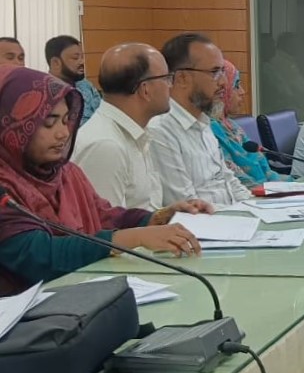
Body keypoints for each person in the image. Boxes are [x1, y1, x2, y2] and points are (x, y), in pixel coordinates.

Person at [0, 66, 210, 295]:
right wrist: (131, 238)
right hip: (22, 310)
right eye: (49, 123)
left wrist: (160, 217)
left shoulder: (66, 173)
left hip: (78, 298)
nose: (63, 133)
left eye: (66, 121)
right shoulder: (5, 186)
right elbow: (37, 255)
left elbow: (105, 216)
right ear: (10, 124)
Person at [149, 33, 253, 206]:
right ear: (182, 78)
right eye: (214, 72)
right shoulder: (160, 131)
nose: (224, 82)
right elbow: (188, 206)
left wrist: (257, 209)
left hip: (232, 217)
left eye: (222, 71)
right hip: (208, 221)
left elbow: (230, 182)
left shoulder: (204, 122)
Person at [71, 44, 172, 211]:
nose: (170, 86)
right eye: (166, 78)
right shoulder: (106, 146)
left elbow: (144, 209)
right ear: (145, 89)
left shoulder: (135, 132)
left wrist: (171, 213)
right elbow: (107, 224)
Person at [210, 60, 293, 187]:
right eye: (236, 86)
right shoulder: (211, 130)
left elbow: (267, 171)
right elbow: (239, 182)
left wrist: (296, 185)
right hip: (251, 195)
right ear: (222, 90)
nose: (242, 92)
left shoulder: (232, 126)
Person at [45, 36, 102, 124]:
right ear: (55, 63)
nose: (82, 62)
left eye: (82, 57)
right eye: (75, 58)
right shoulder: (44, 94)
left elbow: (101, 114)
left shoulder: (85, 85)